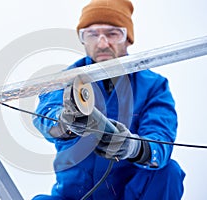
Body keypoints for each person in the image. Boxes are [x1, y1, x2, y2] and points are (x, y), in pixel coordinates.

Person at [32, 0, 185, 199]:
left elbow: (160, 140)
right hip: (74, 196)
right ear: (83, 39)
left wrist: (133, 146)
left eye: (113, 33)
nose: (102, 43)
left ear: (128, 38)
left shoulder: (154, 86)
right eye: (92, 34)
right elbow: (45, 113)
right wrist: (65, 122)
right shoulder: (63, 80)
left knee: (168, 171)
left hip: (129, 194)